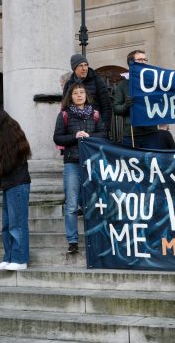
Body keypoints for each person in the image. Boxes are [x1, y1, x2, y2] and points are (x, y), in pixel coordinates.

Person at [54, 82, 107, 254]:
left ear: (86, 95)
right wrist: (75, 136)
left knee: (93, 203)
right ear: (71, 96)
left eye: (82, 92)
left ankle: (96, 237)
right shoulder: (64, 115)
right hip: (72, 163)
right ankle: (73, 240)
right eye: (76, 93)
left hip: (92, 162)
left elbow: (104, 134)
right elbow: (57, 138)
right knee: (71, 204)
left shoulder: (95, 114)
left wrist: (89, 137)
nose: (79, 95)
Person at [0, 109, 31, 271]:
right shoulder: (5, 136)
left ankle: (20, 259)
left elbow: (8, 165)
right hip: (10, 184)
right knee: (7, 224)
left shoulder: (11, 138)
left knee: (17, 224)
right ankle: (9, 257)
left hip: (17, 184)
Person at [113, 50, 160, 149]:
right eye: (140, 59)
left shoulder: (152, 82)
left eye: (144, 59)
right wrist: (126, 105)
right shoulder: (123, 85)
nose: (143, 62)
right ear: (131, 63)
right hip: (132, 134)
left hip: (151, 131)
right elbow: (116, 108)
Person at [63, 54, 112, 132]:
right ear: (74, 68)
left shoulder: (97, 80)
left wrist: (104, 128)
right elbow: (65, 107)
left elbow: (106, 106)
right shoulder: (69, 84)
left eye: (86, 65)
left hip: (96, 128)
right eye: (81, 66)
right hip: (75, 129)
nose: (84, 68)